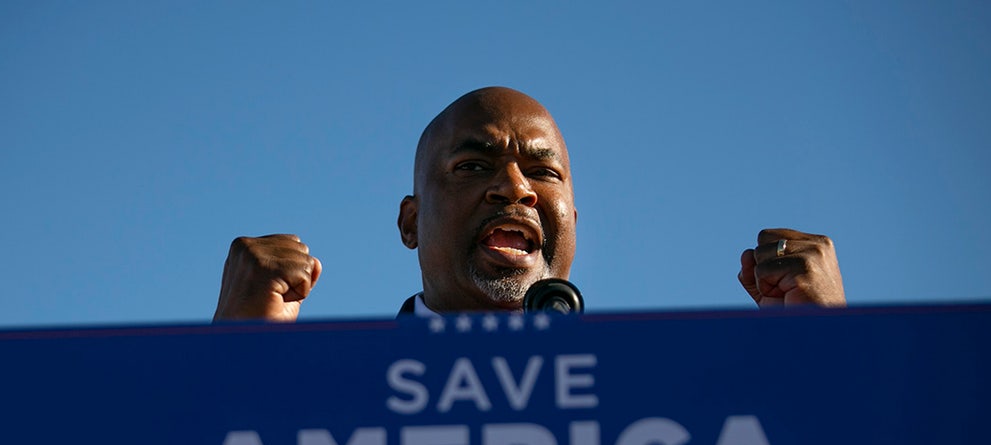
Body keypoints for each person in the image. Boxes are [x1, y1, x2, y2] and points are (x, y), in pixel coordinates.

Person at [212, 87, 845, 321]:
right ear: (411, 221)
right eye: (472, 166)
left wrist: (829, 355)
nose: (515, 188)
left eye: (543, 172)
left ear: (572, 219)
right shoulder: (325, 398)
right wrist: (237, 366)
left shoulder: (662, 398)